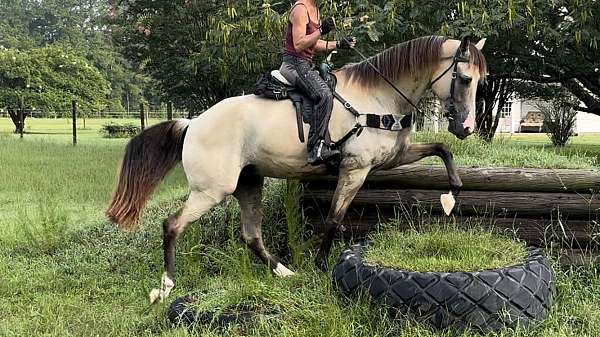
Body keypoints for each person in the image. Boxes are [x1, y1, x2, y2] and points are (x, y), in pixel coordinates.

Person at [279, 0, 356, 165]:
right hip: (293, 64)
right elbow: (299, 44)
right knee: (324, 95)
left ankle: (330, 140)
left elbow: (314, 42)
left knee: (333, 88)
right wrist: (321, 30)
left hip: (305, 64)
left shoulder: (316, 10)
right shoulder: (300, 9)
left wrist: (339, 44)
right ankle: (316, 148)